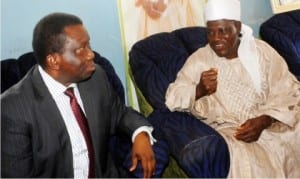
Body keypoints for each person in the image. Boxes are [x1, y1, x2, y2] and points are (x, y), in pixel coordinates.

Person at [1, 12, 158, 178]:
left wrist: (140, 133)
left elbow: (119, 112)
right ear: (54, 61)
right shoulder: (12, 110)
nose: (91, 54)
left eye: (88, 45)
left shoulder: (96, 76)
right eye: (80, 49)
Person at [165, 0, 300, 177]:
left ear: (237, 27)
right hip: (236, 133)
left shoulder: (261, 52)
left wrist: (265, 120)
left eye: (223, 31)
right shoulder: (200, 60)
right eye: (210, 32)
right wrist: (198, 90)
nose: (215, 39)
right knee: (252, 163)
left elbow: (287, 88)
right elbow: (172, 97)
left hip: (274, 120)